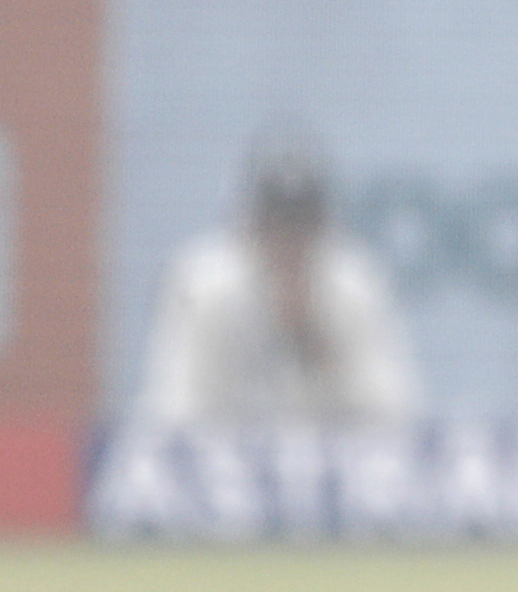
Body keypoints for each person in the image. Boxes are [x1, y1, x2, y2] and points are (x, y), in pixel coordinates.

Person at [135, 152, 419, 429]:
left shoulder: (355, 286)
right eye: (275, 224)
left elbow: (396, 411)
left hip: (334, 455)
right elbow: (170, 411)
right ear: (249, 224)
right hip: (222, 453)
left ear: (324, 227)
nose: (289, 239)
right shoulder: (205, 286)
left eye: (303, 225)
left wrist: (319, 347)